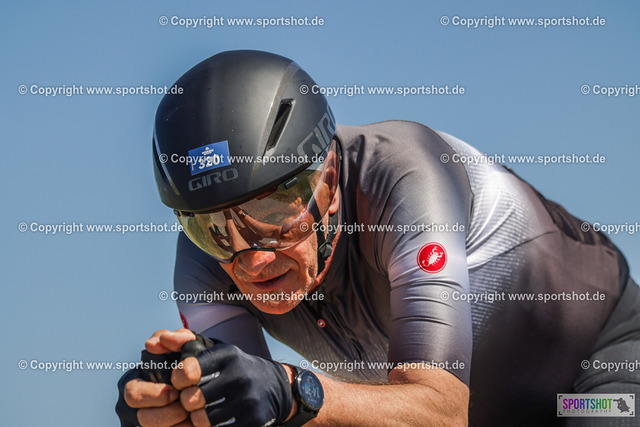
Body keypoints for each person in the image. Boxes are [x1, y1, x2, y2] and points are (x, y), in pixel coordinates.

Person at [116, 50, 640, 426]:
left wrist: (298, 393)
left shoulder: (402, 178)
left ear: (327, 177)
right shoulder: (203, 259)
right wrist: (186, 404)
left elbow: (440, 412)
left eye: (272, 211)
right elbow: (256, 410)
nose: (249, 259)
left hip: (586, 381)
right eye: (210, 227)